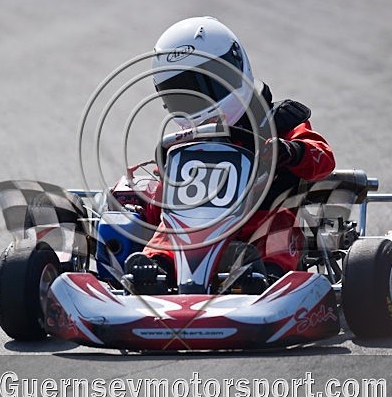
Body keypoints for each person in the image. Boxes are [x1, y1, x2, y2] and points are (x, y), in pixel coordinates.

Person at [126, 16, 335, 287]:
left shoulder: (278, 120)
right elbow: (166, 200)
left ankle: (269, 277)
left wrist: (289, 151)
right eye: (182, 96)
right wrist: (148, 199)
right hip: (199, 228)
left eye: (203, 88)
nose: (197, 103)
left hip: (261, 216)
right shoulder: (181, 142)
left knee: (279, 226)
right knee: (170, 226)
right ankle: (156, 269)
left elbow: (323, 159)